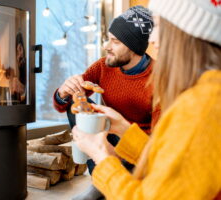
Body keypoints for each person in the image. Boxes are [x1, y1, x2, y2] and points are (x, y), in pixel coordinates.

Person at [72, 0, 221, 199]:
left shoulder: (199, 107)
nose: (152, 39)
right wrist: (124, 128)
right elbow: (170, 163)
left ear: (182, 31)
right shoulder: (207, 93)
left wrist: (102, 157)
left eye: (158, 25)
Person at [53, 5, 159, 200]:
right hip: (109, 135)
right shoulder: (103, 66)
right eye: (108, 39)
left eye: (115, 42)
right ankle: (98, 181)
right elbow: (63, 103)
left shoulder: (159, 78)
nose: (106, 46)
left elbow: (159, 143)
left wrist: (123, 144)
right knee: (76, 105)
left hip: (139, 150)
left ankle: (111, 180)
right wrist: (64, 91)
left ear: (134, 47)